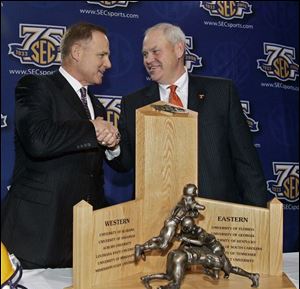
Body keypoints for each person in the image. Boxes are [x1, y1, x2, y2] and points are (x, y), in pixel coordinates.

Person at [1, 22, 120, 269]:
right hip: (36, 235)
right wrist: (92, 129)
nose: (108, 64)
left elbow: (92, 173)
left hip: (81, 241)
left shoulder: (96, 106)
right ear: (77, 52)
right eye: (102, 55)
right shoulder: (36, 86)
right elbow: (38, 140)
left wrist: (112, 146)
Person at [109, 23, 268, 208]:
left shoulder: (222, 93)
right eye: (145, 54)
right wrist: (113, 146)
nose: (148, 59)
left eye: (155, 51)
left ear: (178, 49)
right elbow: (125, 162)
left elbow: (246, 161)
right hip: (154, 219)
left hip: (215, 214)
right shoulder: (133, 103)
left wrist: (258, 219)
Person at [134, 183, 205, 262]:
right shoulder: (189, 201)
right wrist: (195, 206)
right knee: (163, 246)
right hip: (172, 224)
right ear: (193, 192)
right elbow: (202, 207)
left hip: (169, 222)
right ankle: (141, 247)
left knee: (159, 238)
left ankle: (143, 247)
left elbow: (192, 213)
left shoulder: (183, 200)